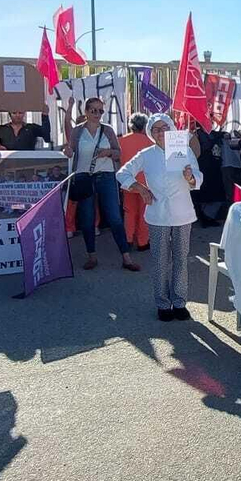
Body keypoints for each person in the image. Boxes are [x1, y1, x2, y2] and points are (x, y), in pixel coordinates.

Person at [117, 114, 202, 321]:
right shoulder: (146, 154)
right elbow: (122, 173)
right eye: (156, 129)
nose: (161, 132)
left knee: (181, 260)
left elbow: (198, 177)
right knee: (160, 261)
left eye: (165, 128)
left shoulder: (183, 151)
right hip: (157, 215)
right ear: (150, 133)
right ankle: (163, 304)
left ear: (172, 128)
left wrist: (191, 177)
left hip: (183, 214)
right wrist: (139, 188)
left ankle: (180, 302)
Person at [66, 96, 139, 272]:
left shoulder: (108, 130)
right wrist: (67, 151)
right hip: (84, 176)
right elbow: (71, 150)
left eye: (100, 111)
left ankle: (126, 257)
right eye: (94, 110)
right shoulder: (78, 131)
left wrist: (108, 152)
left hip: (106, 176)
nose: (97, 114)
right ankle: (91, 256)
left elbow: (118, 153)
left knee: (114, 216)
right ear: (86, 112)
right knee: (87, 218)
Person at [118, 113, 154, 251]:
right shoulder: (151, 142)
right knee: (144, 212)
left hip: (128, 183)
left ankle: (127, 239)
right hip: (146, 184)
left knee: (129, 212)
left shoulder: (121, 141)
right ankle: (142, 242)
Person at [218, 119, 241, 221]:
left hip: (238, 164)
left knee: (236, 193)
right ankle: (231, 218)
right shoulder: (219, 131)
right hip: (228, 164)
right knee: (231, 193)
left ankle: (235, 217)